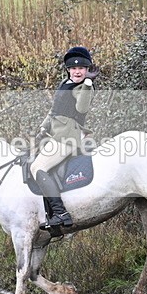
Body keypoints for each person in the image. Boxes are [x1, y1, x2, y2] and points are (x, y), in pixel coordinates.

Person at [31, 46, 98, 239]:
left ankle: (61, 213)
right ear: (68, 69)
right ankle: (48, 212)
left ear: (87, 70)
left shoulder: (84, 87)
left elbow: (82, 108)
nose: (78, 71)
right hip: (54, 135)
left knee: (38, 168)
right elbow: (54, 111)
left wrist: (87, 83)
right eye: (74, 68)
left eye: (82, 69)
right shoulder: (65, 83)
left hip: (68, 137)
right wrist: (42, 128)